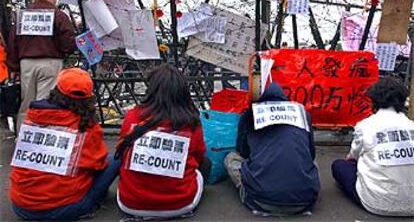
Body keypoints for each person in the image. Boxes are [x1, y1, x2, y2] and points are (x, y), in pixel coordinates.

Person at [9, 68, 120, 221]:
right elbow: (98, 164)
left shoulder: (32, 116)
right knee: (116, 158)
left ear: (56, 90)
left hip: (20, 206)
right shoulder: (85, 126)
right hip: (62, 210)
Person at [115, 64, 210, 219]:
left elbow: (124, 151)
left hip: (130, 204)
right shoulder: (190, 122)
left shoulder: (132, 117)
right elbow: (199, 156)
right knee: (206, 165)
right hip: (180, 204)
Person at [225, 82, 320, 216]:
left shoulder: (250, 114)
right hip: (304, 202)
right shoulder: (301, 112)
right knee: (312, 162)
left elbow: (242, 151)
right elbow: (311, 153)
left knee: (230, 158)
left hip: (259, 200)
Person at [331, 77, 414, 216]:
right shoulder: (411, 126)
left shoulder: (365, 126)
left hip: (376, 202)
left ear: (374, 100)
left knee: (339, 165)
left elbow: (352, 157)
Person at [7, 0, 76, 132]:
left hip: (26, 64)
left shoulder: (23, 16)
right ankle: (41, 138)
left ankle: (22, 137)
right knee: (45, 102)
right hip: (50, 62)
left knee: (27, 102)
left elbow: (12, 44)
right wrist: (64, 52)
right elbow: (68, 43)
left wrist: (13, 67)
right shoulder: (59, 16)